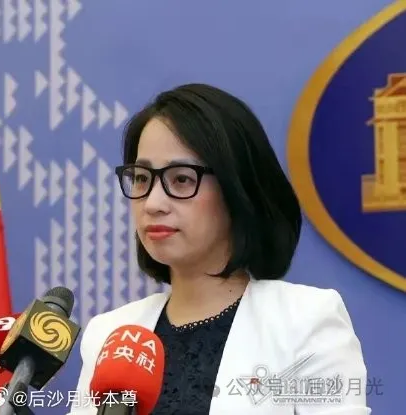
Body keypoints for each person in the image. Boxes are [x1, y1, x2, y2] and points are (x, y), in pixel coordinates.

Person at [68, 84, 369, 414]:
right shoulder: (110, 335)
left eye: (181, 179)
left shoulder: (305, 321)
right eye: (141, 178)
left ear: (237, 189)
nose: (152, 203)